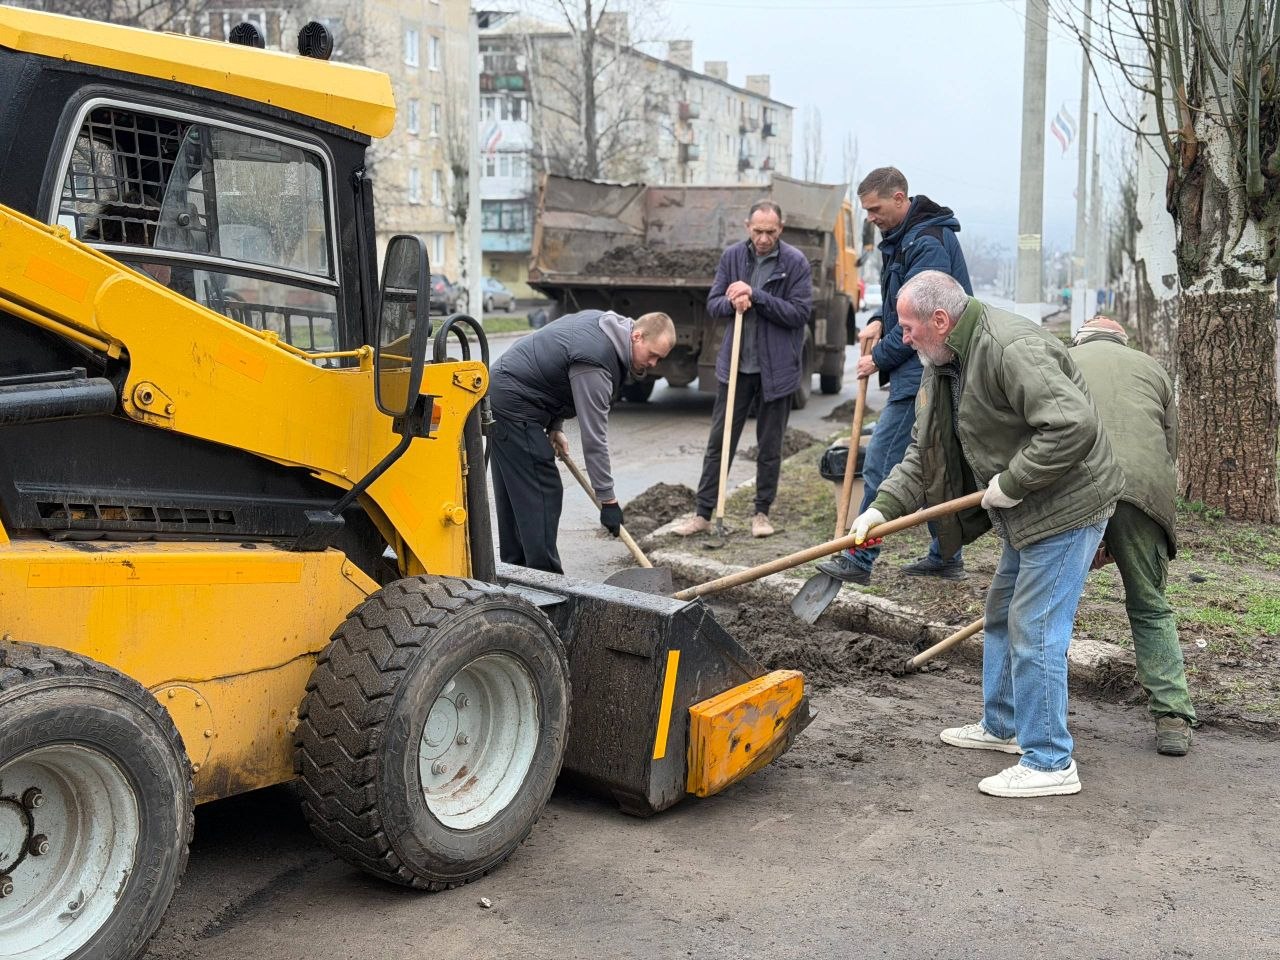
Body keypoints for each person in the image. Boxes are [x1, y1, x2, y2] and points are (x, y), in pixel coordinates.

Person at [847, 271, 1123, 798]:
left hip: (1067, 505)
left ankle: (1048, 761)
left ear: (940, 320)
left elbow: (1073, 425)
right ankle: (1004, 726)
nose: (901, 338)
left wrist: (1013, 481)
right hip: (1029, 508)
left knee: (1035, 628)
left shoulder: (1008, 347)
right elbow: (920, 452)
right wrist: (879, 510)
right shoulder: (944, 361)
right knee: (1002, 611)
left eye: (907, 327)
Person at [817, 167, 973, 586]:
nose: (869, 216)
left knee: (883, 460)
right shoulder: (906, 239)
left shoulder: (927, 243)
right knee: (939, 463)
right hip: (924, 364)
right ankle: (946, 556)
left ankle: (859, 559)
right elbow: (899, 301)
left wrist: (879, 359)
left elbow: (925, 320)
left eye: (875, 208)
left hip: (925, 366)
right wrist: (875, 321)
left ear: (900, 199)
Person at [1070, 316, 1197, 755]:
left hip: (1079, 486)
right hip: (1144, 490)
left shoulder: (1063, 360)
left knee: (1048, 601)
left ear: (1081, 339)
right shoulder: (1153, 369)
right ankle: (1172, 717)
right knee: (1149, 605)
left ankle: (1031, 715)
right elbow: (1170, 444)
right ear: (1124, 342)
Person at [487, 309, 676, 573]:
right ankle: (546, 584)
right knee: (543, 490)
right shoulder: (596, 362)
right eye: (653, 354)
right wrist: (608, 501)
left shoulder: (604, 325)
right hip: (514, 404)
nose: (654, 363)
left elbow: (554, 371)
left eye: (660, 358)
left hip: (505, 394)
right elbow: (594, 438)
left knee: (518, 495)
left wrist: (555, 426)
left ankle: (516, 575)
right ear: (637, 336)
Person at [671, 200, 813, 539]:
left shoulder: (795, 263)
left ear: (781, 228)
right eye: (758, 231)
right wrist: (732, 301)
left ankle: (761, 514)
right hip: (736, 367)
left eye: (771, 232)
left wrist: (757, 296)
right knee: (719, 442)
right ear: (748, 226)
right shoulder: (733, 257)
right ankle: (703, 513)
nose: (764, 238)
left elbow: (799, 313)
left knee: (769, 445)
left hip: (776, 370)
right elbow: (714, 303)